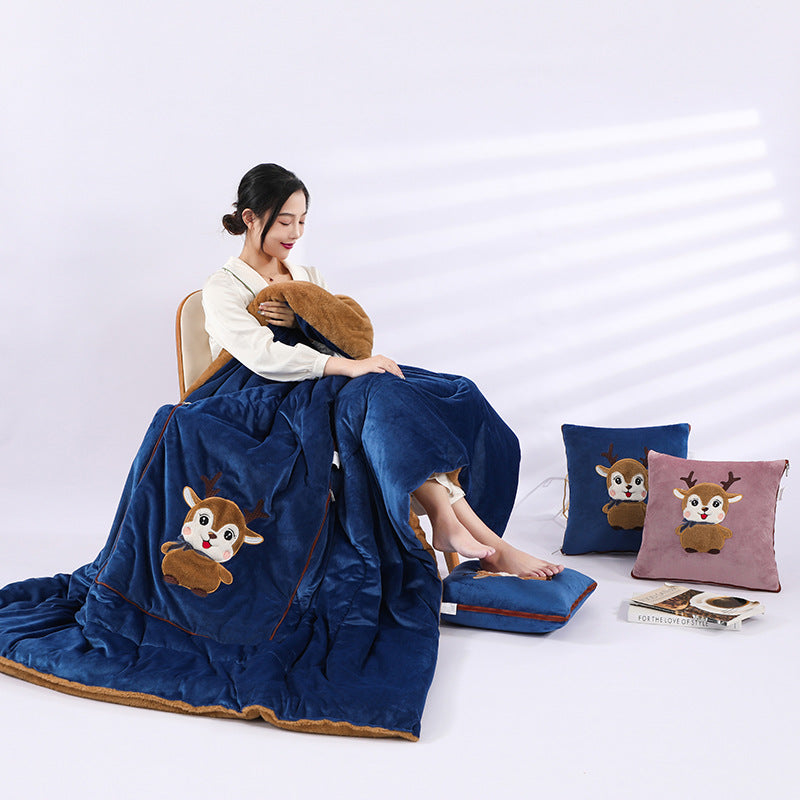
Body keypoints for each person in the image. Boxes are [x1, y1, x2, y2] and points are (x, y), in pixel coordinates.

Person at [202, 163, 563, 579]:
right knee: (382, 395)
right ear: (250, 218)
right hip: (271, 401)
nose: (295, 233)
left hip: (330, 386)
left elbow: (343, 337)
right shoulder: (223, 286)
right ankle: (490, 544)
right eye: (285, 221)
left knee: (453, 391)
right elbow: (261, 355)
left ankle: (450, 522)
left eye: (302, 221)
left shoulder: (306, 277)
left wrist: (306, 323)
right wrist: (350, 365)